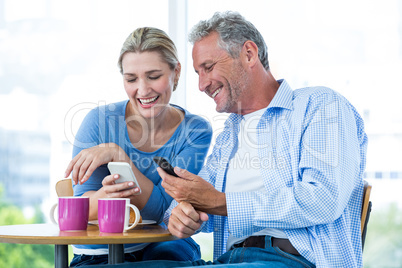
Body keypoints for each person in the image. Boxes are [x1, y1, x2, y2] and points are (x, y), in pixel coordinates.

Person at [98, 11, 368, 268]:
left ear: (249, 54)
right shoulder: (230, 134)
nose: (202, 85)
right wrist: (182, 214)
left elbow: (323, 200)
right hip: (233, 259)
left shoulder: (319, 106)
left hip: (296, 259)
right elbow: (200, 201)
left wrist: (221, 201)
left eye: (208, 67)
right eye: (198, 73)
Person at [63, 27, 212, 266]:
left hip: (166, 246)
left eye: (153, 76)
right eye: (131, 79)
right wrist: (106, 197)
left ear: (176, 72)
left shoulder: (195, 131)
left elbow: (164, 209)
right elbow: (78, 210)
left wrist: (118, 157)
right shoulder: (99, 122)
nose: (142, 90)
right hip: (101, 254)